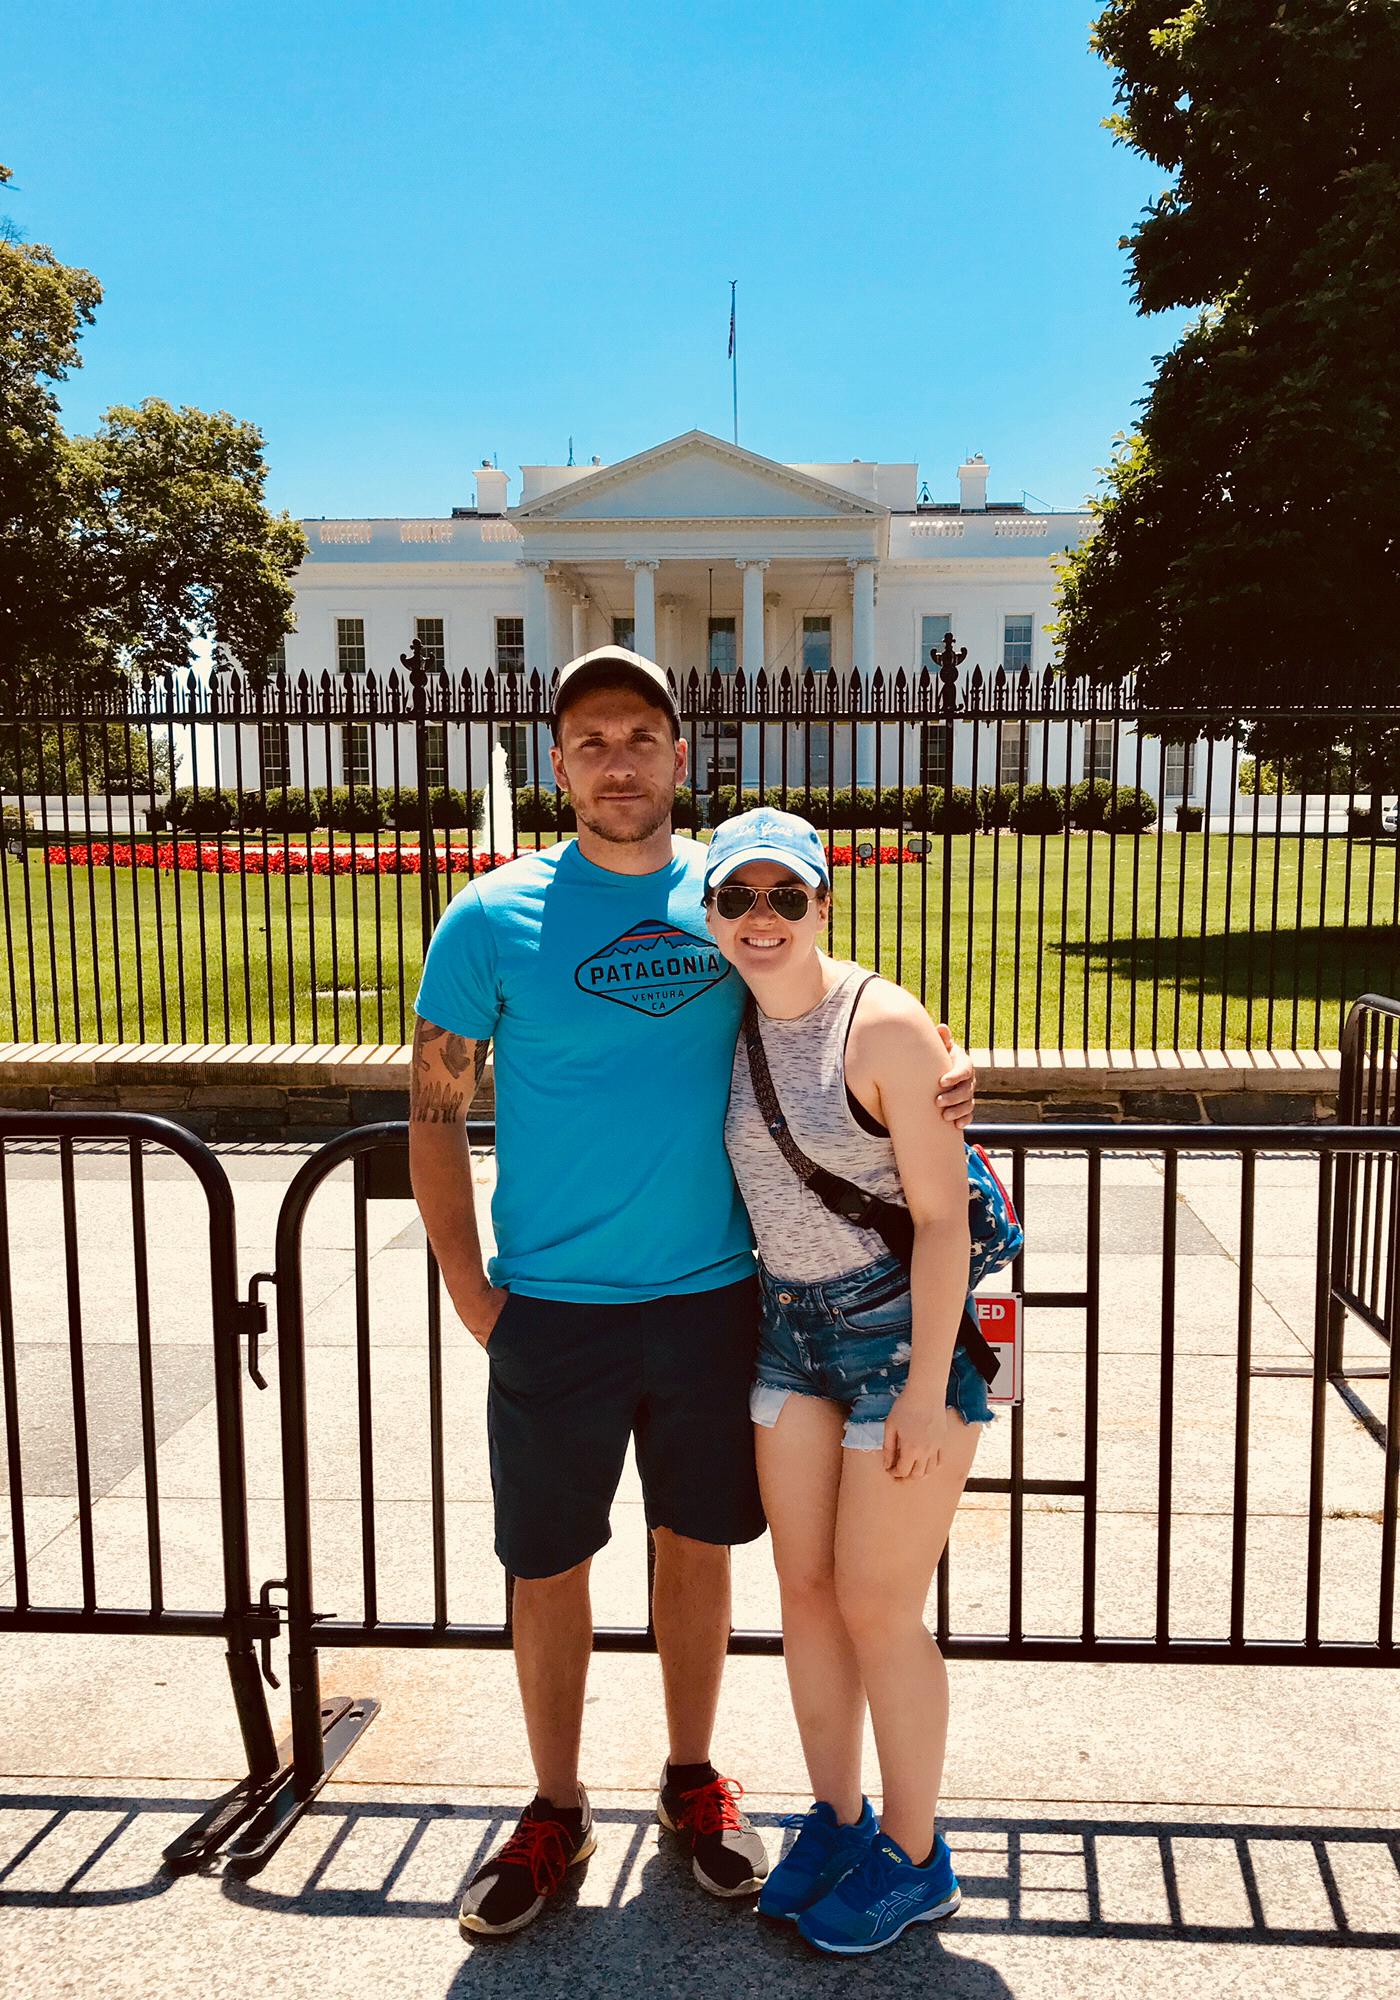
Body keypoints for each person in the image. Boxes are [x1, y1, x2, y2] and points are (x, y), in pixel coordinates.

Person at [408, 646, 977, 1939]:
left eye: (642, 735)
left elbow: (837, 1003)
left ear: (681, 758)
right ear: (559, 765)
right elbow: (432, 1115)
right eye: (592, 738)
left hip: (722, 1300)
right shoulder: (489, 918)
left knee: (697, 1547)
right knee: (547, 1564)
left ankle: (691, 1779)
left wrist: (949, 1059)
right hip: (551, 1304)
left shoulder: (729, 895)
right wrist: (468, 1289)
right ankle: (555, 1806)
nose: (619, 759)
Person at [702, 804, 992, 1957]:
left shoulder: (880, 1027)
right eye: (737, 897)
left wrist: (924, 1385)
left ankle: (919, 1860)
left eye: (785, 895)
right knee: (808, 1592)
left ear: (823, 901)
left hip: (893, 1338)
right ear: (713, 911)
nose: (761, 917)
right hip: (787, 1330)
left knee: (878, 1604)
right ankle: (835, 1816)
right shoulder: (720, 1013)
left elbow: (937, 1219)